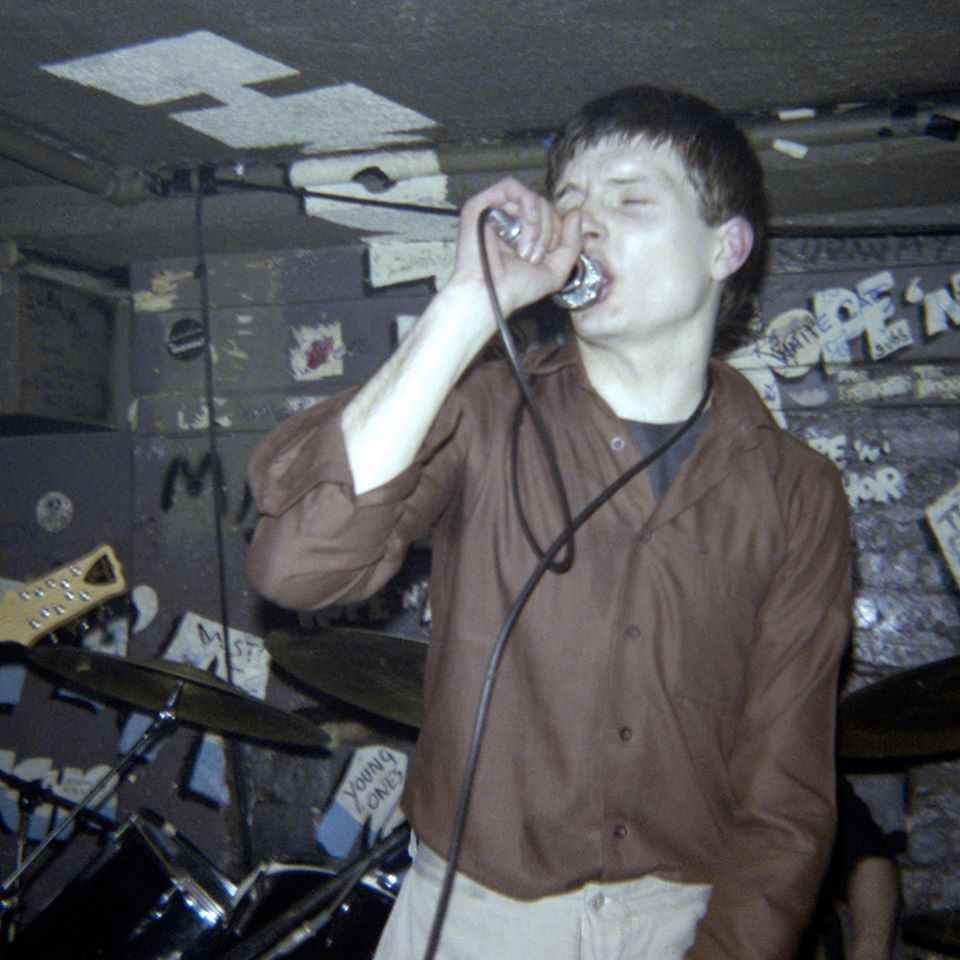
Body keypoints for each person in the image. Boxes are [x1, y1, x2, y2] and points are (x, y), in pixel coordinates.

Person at [246, 85, 852, 960]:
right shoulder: (486, 411)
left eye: (630, 201)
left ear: (726, 247)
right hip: (472, 916)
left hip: (680, 921)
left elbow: (787, 795)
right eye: (569, 203)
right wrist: (465, 307)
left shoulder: (797, 491)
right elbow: (296, 567)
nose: (584, 226)